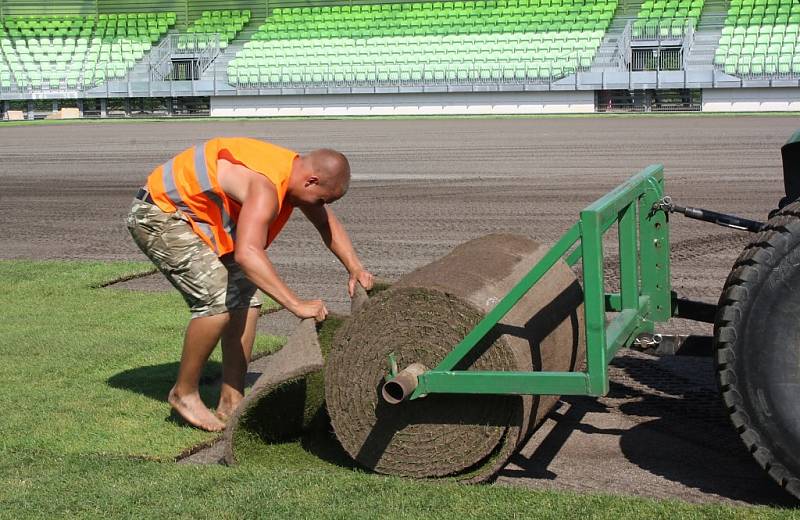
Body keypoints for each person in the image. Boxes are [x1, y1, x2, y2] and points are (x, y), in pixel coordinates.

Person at [126, 137, 374, 432]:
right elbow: (247, 254)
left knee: (247, 301)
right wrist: (296, 305)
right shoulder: (265, 186)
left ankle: (231, 399)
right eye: (322, 199)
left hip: (197, 220)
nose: (321, 207)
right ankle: (184, 393)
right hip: (159, 214)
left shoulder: (293, 174)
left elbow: (325, 224)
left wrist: (355, 268)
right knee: (216, 300)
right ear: (311, 181)